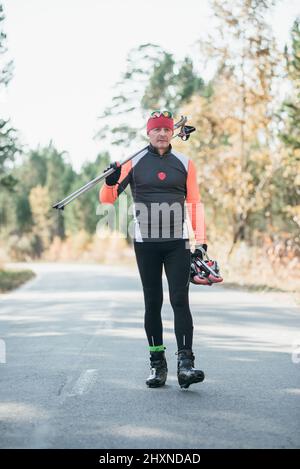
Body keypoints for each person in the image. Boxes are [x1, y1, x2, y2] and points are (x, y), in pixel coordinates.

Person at [99, 110, 207, 389]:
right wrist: (109, 180)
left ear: (173, 133)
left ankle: (186, 365)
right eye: (156, 129)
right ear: (148, 133)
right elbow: (108, 200)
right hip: (146, 243)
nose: (161, 134)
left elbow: (194, 203)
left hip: (177, 242)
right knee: (152, 302)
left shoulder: (184, 163)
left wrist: (201, 241)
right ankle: (157, 366)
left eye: (166, 129)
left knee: (180, 299)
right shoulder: (132, 162)